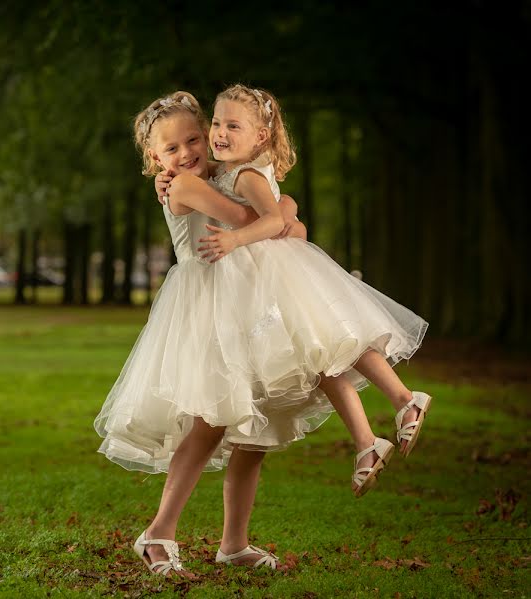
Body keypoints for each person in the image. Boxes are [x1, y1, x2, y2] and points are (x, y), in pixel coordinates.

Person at [162, 83, 430, 499]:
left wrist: (251, 230)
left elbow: (269, 221)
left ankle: (400, 403)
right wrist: (286, 211)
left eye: (232, 125)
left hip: (274, 282)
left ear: (261, 137)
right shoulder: (225, 173)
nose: (220, 133)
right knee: (328, 359)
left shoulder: (244, 175)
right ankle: (371, 436)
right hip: (265, 284)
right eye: (216, 123)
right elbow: (282, 218)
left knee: (336, 349)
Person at [94, 91, 311, 578]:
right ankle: (159, 531)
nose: (186, 152)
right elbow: (247, 219)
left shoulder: (215, 173)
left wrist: (279, 206)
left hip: (244, 302)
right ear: (156, 159)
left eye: (194, 139)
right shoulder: (185, 184)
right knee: (211, 419)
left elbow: (265, 208)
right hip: (206, 304)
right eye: (171, 149)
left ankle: (234, 543)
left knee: (253, 427)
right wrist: (285, 214)